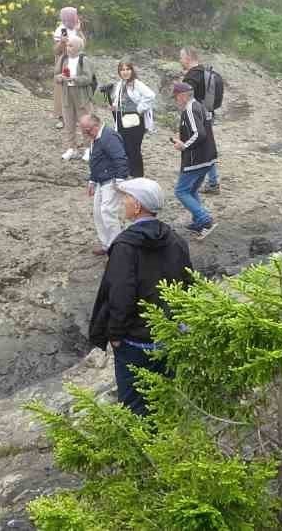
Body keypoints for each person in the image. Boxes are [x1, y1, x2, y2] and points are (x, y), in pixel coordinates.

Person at [86, 177, 193, 416]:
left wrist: (114, 335)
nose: (123, 202)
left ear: (137, 206)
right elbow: (188, 286)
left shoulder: (124, 246)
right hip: (168, 335)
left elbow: (119, 294)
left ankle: (143, 448)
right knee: (166, 396)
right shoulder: (176, 240)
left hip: (135, 340)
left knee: (135, 404)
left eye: (126, 198)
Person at [170, 81, 217, 240]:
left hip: (195, 159)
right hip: (207, 158)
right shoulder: (200, 106)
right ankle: (198, 221)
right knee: (191, 190)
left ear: (183, 96)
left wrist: (184, 146)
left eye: (176, 97)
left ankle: (205, 220)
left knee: (181, 191)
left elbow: (199, 134)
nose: (176, 100)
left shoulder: (190, 109)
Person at [80, 114, 131, 253]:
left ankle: (118, 249)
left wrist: (120, 180)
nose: (85, 133)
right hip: (101, 181)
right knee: (98, 213)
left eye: (87, 130)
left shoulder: (109, 137)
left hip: (112, 180)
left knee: (108, 212)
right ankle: (107, 245)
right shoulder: (96, 137)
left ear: (96, 126)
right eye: (84, 130)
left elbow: (120, 158)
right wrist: (92, 180)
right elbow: (95, 161)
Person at [179, 48, 222, 194]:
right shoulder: (205, 72)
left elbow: (186, 99)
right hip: (208, 114)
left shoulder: (192, 76)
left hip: (197, 117)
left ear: (189, 57)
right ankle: (212, 181)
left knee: (200, 147)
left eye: (182, 57)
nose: (180, 60)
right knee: (207, 147)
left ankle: (208, 182)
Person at [108, 61, 156, 178]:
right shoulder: (120, 84)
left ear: (132, 70)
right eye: (122, 70)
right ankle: (128, 172)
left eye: (127, 69)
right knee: (124, 146)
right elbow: (118, 99)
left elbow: (150, 96)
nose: (125, 72)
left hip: (135, 121)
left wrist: (139, 109)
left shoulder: (136, 84)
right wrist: (114, 107)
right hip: (122, 120)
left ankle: (138, 175)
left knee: (134, 148)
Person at [55, 35, 98, 161]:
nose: (67, 48)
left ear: (78, 47)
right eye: (67, 45)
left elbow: (88, 78)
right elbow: (56, 75)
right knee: (69, 123)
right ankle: (71, 148)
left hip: (82, 96)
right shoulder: (63, 59)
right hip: (66, 94)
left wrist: (74, 79)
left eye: (70, 45)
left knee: (85, 123)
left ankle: (89, 149)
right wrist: (60, 78)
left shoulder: (84, 60)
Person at [50, 7, 83, 130]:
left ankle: (75, 116)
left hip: (76, 61)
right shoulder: (61, 30)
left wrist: (79, 31)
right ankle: (60, 117)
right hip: (64, 63)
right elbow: (56, 51)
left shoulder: (76, 27)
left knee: (74, 87)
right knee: (62, 90)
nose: (76, 17)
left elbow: (83, 44)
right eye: (73, 16)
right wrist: (62, 42)